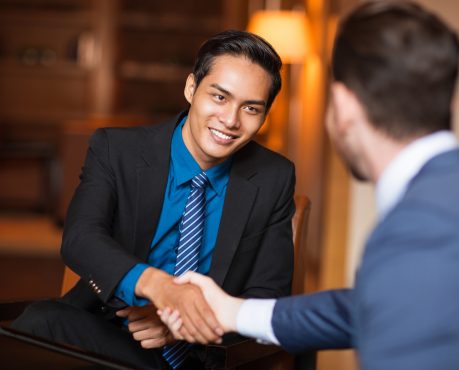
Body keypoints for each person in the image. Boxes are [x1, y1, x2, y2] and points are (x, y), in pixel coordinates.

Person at [160, 2, 459, 369]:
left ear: (342, 106)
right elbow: (372, 305)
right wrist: (235, 312)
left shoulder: (423, 230)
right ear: (449, 103)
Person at [12, 30, 296, 369]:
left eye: (250, 108)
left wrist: (184, 325)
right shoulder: (117, 150)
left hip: (202, 354)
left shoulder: (273, 177)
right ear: (191, 88)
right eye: (219, 97)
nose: (231, 121)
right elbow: (80, 238)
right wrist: (160, 288)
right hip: (111, 332)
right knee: (41, 322)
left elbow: (269, 299)